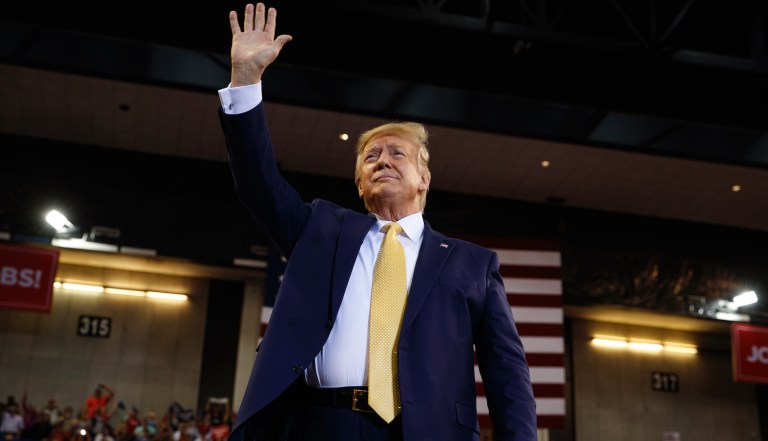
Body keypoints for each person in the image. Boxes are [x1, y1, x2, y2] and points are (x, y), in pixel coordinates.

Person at [217, 3, 537, 440]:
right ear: (359, 182)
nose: (383, 160)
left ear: (424, 178)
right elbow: (258, 183)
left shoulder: (472, 264)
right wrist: (246, 82)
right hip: (320, 425)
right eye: (371, 156)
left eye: (397, 153)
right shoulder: (320, 229)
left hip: (429, 431)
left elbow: (506, 371)